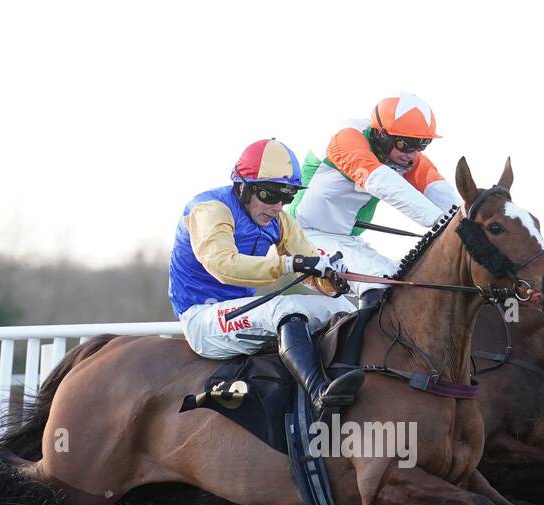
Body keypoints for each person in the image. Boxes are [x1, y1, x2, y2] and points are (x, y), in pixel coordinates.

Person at [168, 138, 362, 420]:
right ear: (243, 187)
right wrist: (288, 264)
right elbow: (222, 265)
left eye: (288, 197)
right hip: (202, 319)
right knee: (285, 308)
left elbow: (308, 264)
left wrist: (332, 277)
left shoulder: (280, 220)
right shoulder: (210, 209)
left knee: (344, 308)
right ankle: (320, 395)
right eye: (270, 195)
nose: (278, 207)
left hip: (241, 312)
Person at [288, 93, 459, 300]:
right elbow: (382, 182)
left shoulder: (400, 155)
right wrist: (447, 224)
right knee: (379, 280)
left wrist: (467, 219)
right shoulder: (346, 138)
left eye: (422, 145)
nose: (413, 154)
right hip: (304, 237)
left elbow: (439, 191)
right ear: (382, 135)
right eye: (405, 144)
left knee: (405, 282)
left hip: (348, 240)